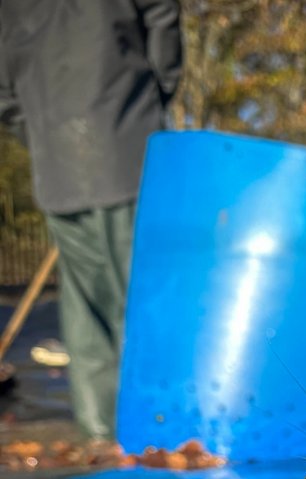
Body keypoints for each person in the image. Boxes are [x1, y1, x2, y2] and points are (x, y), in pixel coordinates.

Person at [0, 0, 182, 448]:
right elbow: (162, 24)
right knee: (144, 301)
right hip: (127, 144)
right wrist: (153, 96)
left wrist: (42, 133)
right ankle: (164, 433)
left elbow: (5, 95)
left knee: (86, 305)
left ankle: (101, 432)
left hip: (56, 162)